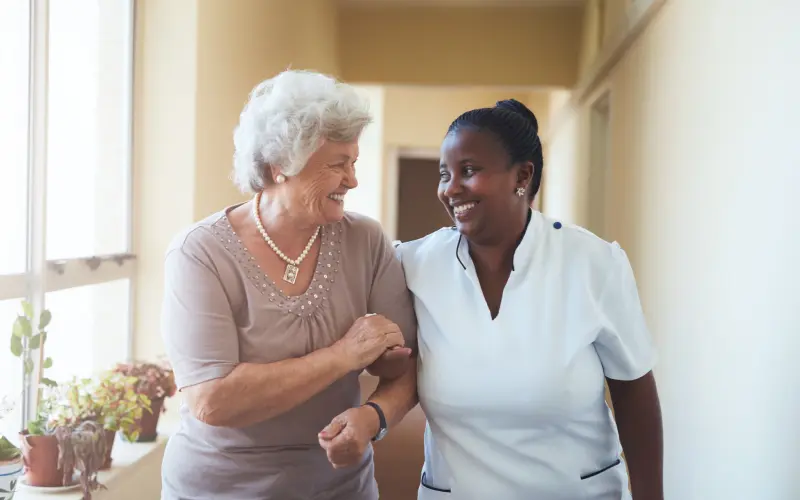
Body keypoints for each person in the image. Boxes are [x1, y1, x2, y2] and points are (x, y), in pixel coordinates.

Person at [320, 99, 664, 500]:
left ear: (522, 175)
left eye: (469, 171)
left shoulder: (592, 263)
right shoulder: (413, 264)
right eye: (444, 174)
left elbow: (634, 392)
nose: (450, 188)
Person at [159, 70, 418, 500]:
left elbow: (404, 370)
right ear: (281, 165)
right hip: (220, 489)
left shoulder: (365, 240)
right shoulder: (199, 253)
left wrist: (374, 415)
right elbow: (213, 400)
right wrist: (343, 355)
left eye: (353, 161)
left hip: (341, 488)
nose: (352, 179)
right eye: (337, 164)